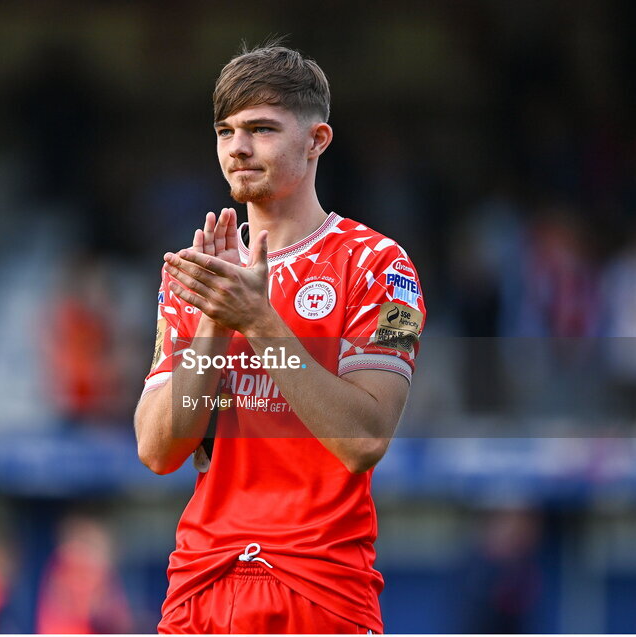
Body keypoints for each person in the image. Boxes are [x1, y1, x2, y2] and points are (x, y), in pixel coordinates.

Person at [134, 41, 426, 634]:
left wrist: (260, 322)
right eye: (225, 131)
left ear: (317, 140)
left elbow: (364, 439)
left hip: (318, 589)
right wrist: (216, 320)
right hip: (201, 585)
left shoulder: (378, 265)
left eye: (262, 129)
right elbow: (160, 449)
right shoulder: (194, 276)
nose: (238, 148)